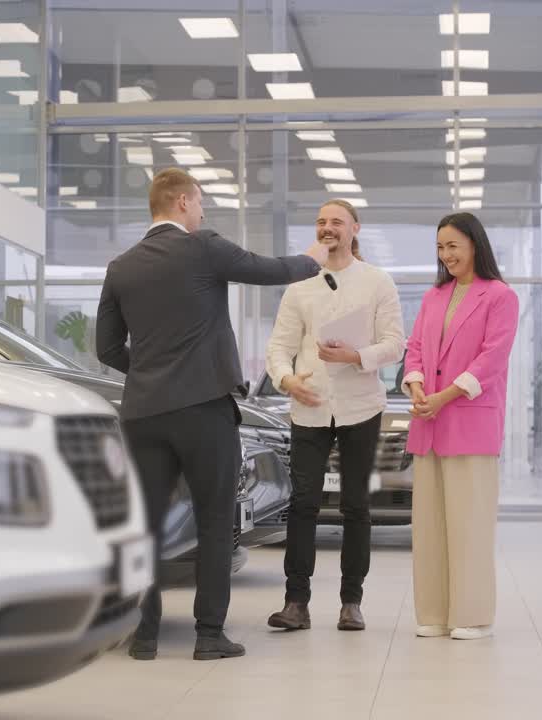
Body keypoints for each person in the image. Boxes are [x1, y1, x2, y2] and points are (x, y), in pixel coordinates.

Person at [96, 168, 329, 661]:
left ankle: (144, 635)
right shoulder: (202, 246)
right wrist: (314, 258)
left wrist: (151, 372)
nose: (203, 212)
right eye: (200, 203)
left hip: (143, 414)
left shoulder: (121, 267)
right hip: (203, 409)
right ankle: (208, 635)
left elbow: (107, 348)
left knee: (146, 525)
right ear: (182, 203)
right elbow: (267, 269)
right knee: (215, 519)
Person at [264, 199, 404, 633]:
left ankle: (351, 601)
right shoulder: (299, 285)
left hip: (361, 406)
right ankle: (296, 602)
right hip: (309, 406)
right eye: (322, 222)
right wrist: (286, 380)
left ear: (354, 229)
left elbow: (396, 343)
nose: (328, 228)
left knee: (356, 505)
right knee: (303, 504)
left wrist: (357, 356)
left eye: (337, 222)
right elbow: (278, 348)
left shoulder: (377, 282)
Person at [401, 212, 519, 641]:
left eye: (453, 246)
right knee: (430, 526)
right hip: (428, 424)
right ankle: (434, 612)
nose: (446, 255)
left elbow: (491, 359)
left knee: (469, 524)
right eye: (439, 248)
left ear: (474, 245)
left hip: (470, 423)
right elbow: (414, 349)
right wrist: (416, 388)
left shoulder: (500, 296)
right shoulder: (434, 297)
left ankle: (471, 615)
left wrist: (444, 396)